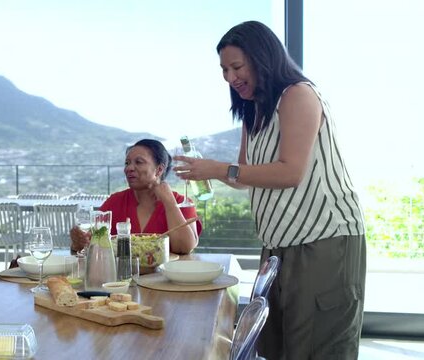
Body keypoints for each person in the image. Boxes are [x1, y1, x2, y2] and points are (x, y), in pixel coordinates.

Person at [174, 21, 366, 359]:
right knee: (277, 346)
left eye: (236, 66)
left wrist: (219, 169)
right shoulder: (254, 110)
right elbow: (243, 175)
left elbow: (290, 172)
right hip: (279, 243)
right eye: (223, 70)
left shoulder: (298, 95)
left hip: (323, 240)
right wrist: (208, 171)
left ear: (262, 57)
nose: (229, 77)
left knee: (315, 348)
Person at [70, 139, 201, 255]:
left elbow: (184, 248)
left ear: (159, 170)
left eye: (139, 162)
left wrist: (169, 203)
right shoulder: (115, 202)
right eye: (127, 163)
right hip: (122, 280)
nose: (129, 168)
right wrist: (78, 243)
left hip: (167, 280)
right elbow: (92, 245)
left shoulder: (181, 203)